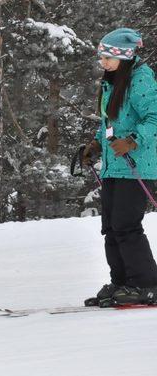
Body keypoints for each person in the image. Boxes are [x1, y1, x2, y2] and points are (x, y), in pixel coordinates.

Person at [81, 27, 157, 305]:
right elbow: (111, 124)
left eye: (108, 58)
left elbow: (154, 118)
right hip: (114, 166)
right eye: (101, 57)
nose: (103, 62)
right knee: (111, 228)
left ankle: (147, 284)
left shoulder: (141, 80)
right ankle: (122, 282)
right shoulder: (112, 83)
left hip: (138, 164)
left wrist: (133, 140)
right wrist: (96, 145)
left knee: (126, 225)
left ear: (123, 57)